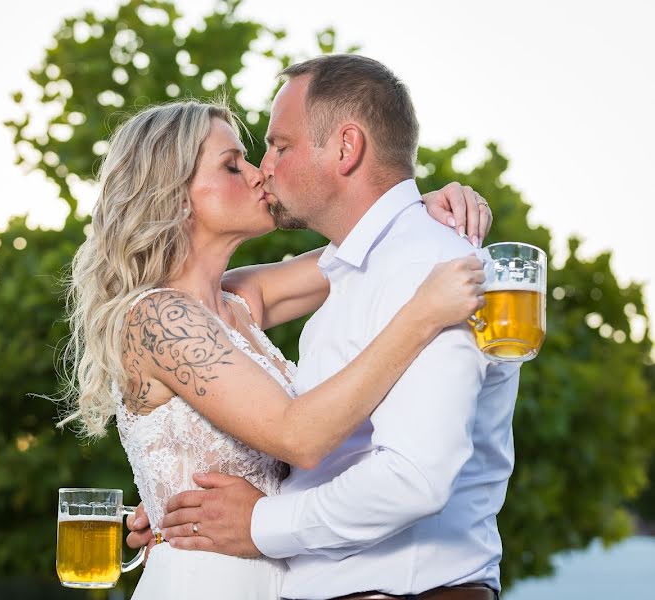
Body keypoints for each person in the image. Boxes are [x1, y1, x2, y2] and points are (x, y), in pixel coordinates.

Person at [64, 93, 491, 597]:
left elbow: (366, 249)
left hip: (276, 577)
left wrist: (419, 205)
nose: (257, 173)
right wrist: (422, 314)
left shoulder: (241, 300)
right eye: (231, 165)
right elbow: (299, 437)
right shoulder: (160, 318)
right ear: (176, 194)